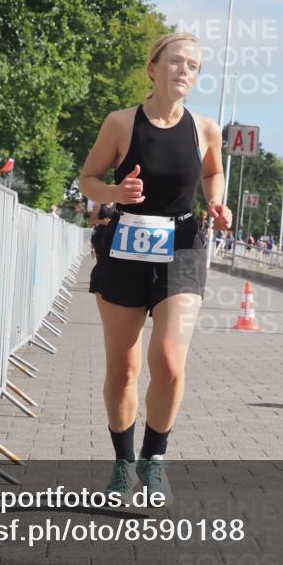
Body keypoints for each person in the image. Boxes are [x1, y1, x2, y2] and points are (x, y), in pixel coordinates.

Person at [79, 32, 232, 501]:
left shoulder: (205, 129)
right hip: (125, 243)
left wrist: (217, 203)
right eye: (176, 61)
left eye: (194, 65)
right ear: (153, 68)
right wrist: (114, 194)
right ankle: (124, 465)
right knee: (123, 367)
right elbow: (88, 179)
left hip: (182, 246)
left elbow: (212, 170)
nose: (185, 70)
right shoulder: (121, 123)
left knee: (167, 359)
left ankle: (155, 459)